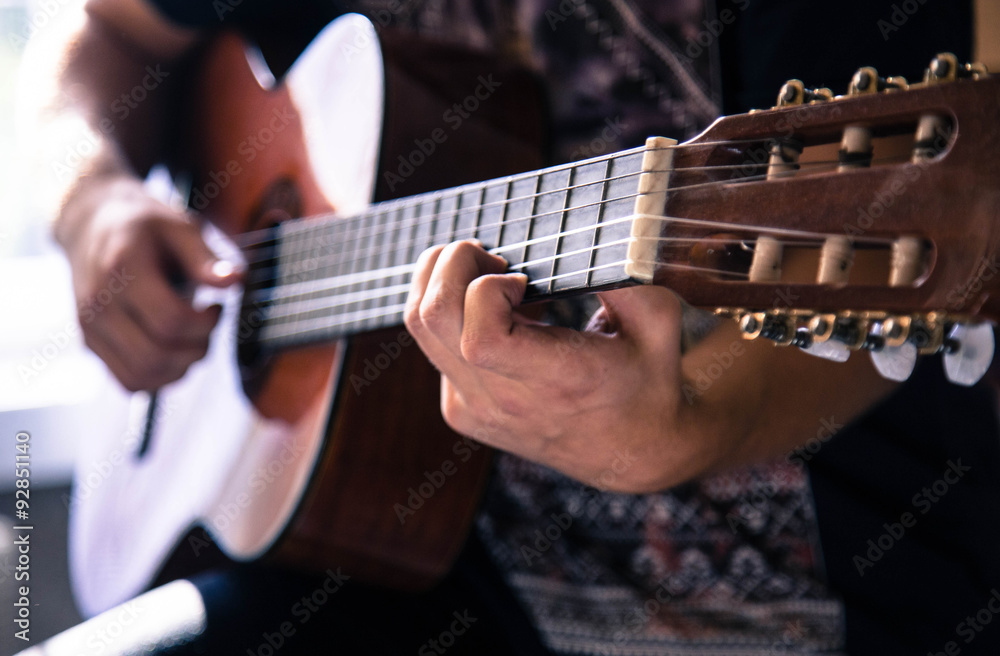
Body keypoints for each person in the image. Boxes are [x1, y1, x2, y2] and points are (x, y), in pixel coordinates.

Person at [20, 0, 1000, 653]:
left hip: (796, 609)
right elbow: (105, 38)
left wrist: (699, 417)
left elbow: (907, 238)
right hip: (362, 573)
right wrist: (88, 197)